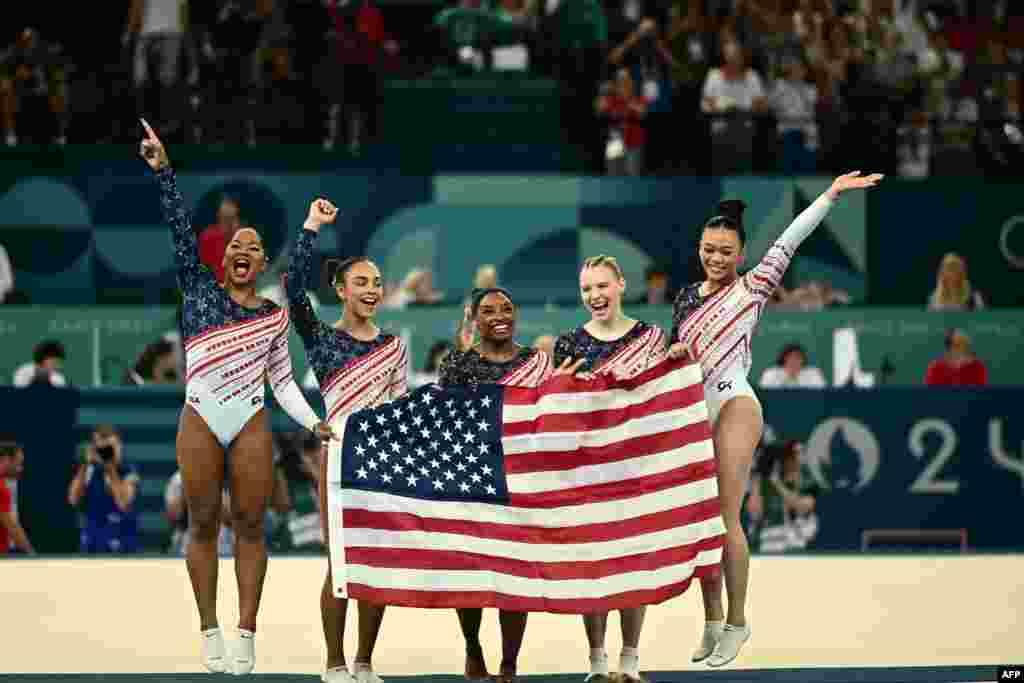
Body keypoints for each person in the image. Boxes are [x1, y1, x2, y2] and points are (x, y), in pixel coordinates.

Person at [139, 119, 333, 675]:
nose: (244, 251)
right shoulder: (198, 291)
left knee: (250, 524)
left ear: (262, 262)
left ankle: (247, 631)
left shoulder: (273, 316)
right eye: (236, 246)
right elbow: (179, 230)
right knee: (203, 522)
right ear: (223, 261)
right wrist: (164, 173)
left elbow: (284, 383)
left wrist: (313, 421)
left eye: (254, 247)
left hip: (249, 417)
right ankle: (209, 627)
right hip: (200, 414)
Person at [668, 171, 883, 667]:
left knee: (725, 518)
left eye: (725, 251)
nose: (716, 257)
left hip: (735, 401)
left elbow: (790, 239)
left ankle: (737, 623)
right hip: (694, 407)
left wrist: (829, 196)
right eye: (708, 248)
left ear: (740, 255)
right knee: (702, 524)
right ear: (699, 247)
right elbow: (676, 355)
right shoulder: (684, 298)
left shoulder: (753, 286)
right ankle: (711, 619)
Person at [284, 199, 409, 683]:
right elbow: (294, 289)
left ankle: (364, 661)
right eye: (361, 282)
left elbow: (400, 409)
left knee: (375, 564)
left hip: (382, 461)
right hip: (339, 459)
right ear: (340, 289)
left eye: (377, 283)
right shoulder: (321, 338)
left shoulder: (393, 345)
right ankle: (334, 662)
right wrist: (311, 227)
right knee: (341, 565)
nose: (372, 290)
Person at [439, 287, 577, 683]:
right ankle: (472, 647)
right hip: (473, 479)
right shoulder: (457, 364)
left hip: (522, 481)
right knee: (472, 575)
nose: (499, 315)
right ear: (474, 319)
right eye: (488, 310)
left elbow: (551, 419)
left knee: (514, 575)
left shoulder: (538, 363)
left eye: (506, 309)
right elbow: (448, 420)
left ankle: (510, 663)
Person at [552, 255, 667, 683]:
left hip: (635, 466)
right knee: (593, 566)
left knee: (631, 565)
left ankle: (631, 660)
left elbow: (662, 400)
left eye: (602, 286)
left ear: (620, 284)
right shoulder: (568, 343)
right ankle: (597, 661)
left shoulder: (651, 337)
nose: (595, 296)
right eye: (587, 290)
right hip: (588, 467)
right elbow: (561, 411)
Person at [67, 424, 140, 554]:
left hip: (122, 544)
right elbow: (73, 499)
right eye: (102, 448)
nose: (107, 452)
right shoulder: (89, 471)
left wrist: (110, 468)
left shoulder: (129, 472)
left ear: (119, 446)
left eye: (110, 447)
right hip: (92, 544)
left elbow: (123, 503)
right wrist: (85, 464)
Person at [0, 441, 34, 555]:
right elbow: (12, 526)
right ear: (5, 459)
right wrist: (31, 554)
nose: (20, 469)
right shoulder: (1, 489)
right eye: (18, 464)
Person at [924, 328, 989, 386]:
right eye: (959, 344)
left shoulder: (978, 367)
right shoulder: (935, 368)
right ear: (949, 347)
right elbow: (931, 395)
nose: (963, 348)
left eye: (966, 344)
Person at [758, 343, 826, 388]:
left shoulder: (813, 373)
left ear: (803, 359)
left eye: (797, 357)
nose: (793, 361)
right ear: (784, 359)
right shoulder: (771, 373)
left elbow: (821, 393)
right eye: (790, 357)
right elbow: (763, 393)